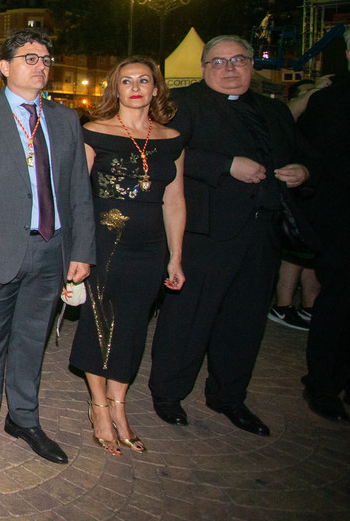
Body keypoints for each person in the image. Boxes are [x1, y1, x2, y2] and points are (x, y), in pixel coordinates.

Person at [148, 35, 312, 436]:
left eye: (238, 60)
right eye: (219, 62)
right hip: (207, 230)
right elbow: (160, 152)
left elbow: (305, 156)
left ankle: (229, 396)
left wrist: (303, 172)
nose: (230, 68)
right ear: (204, 68)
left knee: (245, 320)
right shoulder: (185, 105)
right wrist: (225, 164)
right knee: (189, 315)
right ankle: (168, 392)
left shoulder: (275, 112)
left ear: (252, 66)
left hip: (262, 232)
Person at [0, 29, 95, 464]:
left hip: (51, 249)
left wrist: (82, 250)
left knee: (33, 340)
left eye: (46, 59)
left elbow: (78, 192)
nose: (40, 65)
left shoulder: (66, 119)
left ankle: (25, 418)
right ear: (5, 66)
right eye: (30, 58)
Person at [68, 57, 185, 456]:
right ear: (114, 89)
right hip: (104, 242)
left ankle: (120, 405)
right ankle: (99, 406)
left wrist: (176, 257)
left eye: (143, 81)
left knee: (134, 326)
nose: (135, 87)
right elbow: (77, 196)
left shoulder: (172, 139)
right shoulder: (93, 133)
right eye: (126, 81)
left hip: (151, 247)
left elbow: (175, 200)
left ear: (156, 89)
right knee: (99, 322)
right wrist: (77, 250)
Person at [297, 36, 350, 422]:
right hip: (343, 224)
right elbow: (314, 161)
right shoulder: (332, 101)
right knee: (338, 304)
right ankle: (323, 383)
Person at [266, 78, 328, 331]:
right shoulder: (287, 117)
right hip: (293, 196)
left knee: (306, 254)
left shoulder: (320, 123)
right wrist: (313, 93)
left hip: (308, 190)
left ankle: (307, 306)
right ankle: (283, 306)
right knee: (296, 254)